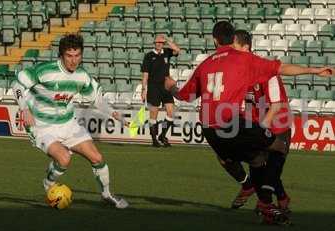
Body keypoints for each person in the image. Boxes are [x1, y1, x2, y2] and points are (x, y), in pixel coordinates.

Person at [164, 21, 334, 225]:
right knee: (276, 147)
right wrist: (314, 71)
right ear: (233, 38)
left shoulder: (205, 64)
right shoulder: (243, 59)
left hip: (210, 130)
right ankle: (266, 200)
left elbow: (185, 95)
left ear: (214, 39)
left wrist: (172, 87)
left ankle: (258, 196)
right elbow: (282, 68)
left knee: (252, 158)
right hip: (232, 124)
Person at [12, 34, 129, 209]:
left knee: (97, 158)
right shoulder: (45, 71)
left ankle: (106, 194)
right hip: (42, 126)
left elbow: (96, 100)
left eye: (77, 56)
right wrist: (24, 108)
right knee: (64, 159)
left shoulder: (82, 77)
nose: (74, 61)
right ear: (61, 55)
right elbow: (17, 84)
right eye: (69, 56)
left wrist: (115, 114)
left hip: (68, 124)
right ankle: (48, 183)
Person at [219, 30, 292, 213]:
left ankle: (276, 201)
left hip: (278, 127)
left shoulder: (264, 69)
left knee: (270, 173)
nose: (231, 51)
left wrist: (260, 131)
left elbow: (277, 106)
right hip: (255, 125)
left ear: (246, 48)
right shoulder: (235, 71)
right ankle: (253, 190)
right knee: (225, 155)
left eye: (234, 47)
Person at [141, 34, 180, 147]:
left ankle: (162, 134)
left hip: (165, 87)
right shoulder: (149, 56)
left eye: (161, 42)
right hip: (153, 87)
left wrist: (167, 40)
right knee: (154, 114)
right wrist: (143, 90)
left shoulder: (167, 52)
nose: (158, 44)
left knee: (170, 112)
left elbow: (177, 50)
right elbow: (145, 75)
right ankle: (154, 140)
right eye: (157, 42)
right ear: (154, 43)